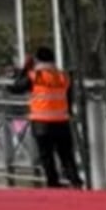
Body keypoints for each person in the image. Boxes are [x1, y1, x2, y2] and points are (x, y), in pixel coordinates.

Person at [8, 46, 82, 188]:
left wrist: (24, 69)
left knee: (46, 155)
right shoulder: (62, 76)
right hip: (61, 121)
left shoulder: (34, 76)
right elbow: (69, 98)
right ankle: (75, 181)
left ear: (37, 60)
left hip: (41, 121)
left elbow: (15, 88)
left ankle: (53, 182)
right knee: (66, 154)